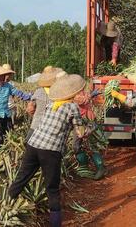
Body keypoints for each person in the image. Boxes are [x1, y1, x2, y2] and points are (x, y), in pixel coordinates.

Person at [9, 73, 86, 227]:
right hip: (50, 151)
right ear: (74, 94)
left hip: (33, 144)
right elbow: (80, 132)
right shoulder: (72, 108)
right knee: (52, 189)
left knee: (21, 178)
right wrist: (90, 128)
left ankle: (4, 206)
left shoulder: (53, 103)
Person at [73, 89, 107, 180]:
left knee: (90, 146)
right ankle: (84, 168)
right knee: (78, 146)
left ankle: (100, 168)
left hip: (86, 122)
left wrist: (91, 95)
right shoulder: (79, 91)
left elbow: (82, 100)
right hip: (82, 122)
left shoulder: (78, 92)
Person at [25, 66, 64, 141]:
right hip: (53, 128)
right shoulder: (60, 94)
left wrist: (36, 115)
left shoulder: (38, 91)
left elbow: (30, 109)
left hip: (36, 125)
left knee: (29, 145)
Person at [2, 63, 16, 129]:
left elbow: (13, 95)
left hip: (10, 106)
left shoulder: (12, 83)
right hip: (2, 108)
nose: (9, 76)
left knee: (10, 125)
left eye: (10, 74)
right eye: (7, 74)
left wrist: (13, 102)